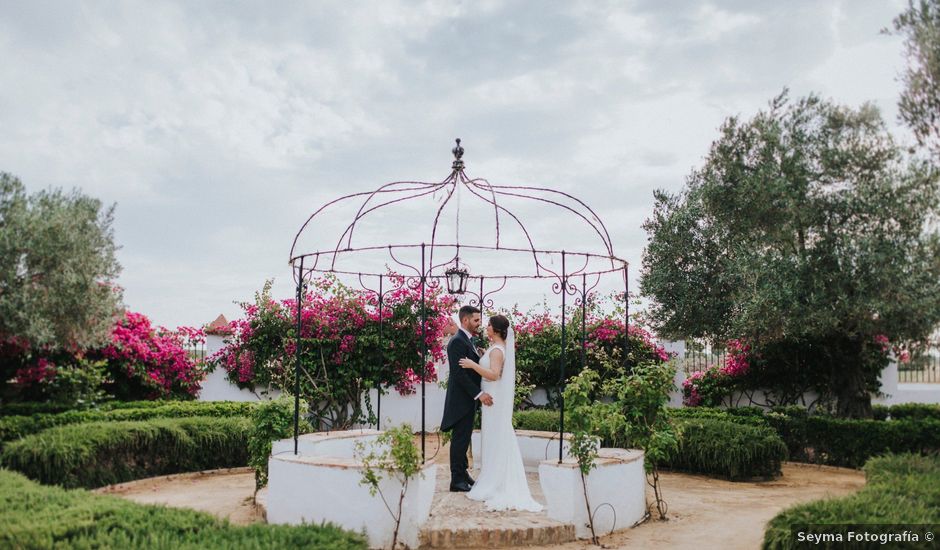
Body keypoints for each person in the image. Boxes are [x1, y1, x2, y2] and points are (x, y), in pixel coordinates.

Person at [459, 314, 542, 512]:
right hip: (492, 398)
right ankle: (494, 475)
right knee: (495, 437)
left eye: (488, 325)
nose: (485, 327)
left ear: (495, 330)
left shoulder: (497, 350)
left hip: (493, 398)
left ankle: (496, 481)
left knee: (497, 437)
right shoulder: (495, 348)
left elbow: (494, 375)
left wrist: (473, 365)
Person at [440, 305, 493, 492]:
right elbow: (459, 374)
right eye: (476, 320)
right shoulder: (457, 342)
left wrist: (479, 356)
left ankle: (464, 475)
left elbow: (471, 368)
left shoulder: (468, 340)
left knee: (464, 438)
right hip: (460, 400)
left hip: (467, 400)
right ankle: (456, 480)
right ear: (465, 320)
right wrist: (479, 395)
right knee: (459, 440)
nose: (479, 323)